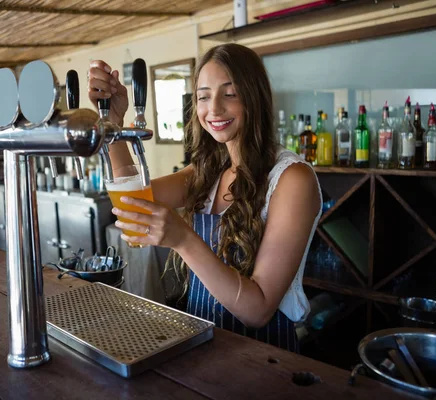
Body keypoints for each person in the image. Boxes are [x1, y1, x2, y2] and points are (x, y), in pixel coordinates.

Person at [87, 43, 322, 352]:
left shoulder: (292, 179)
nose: (214, 109)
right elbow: (131, 203)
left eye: (229, 94)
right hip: (201, 344)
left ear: (255, 97)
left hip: (263, 355)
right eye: (203, 96)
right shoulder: (208, 172)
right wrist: (113, 122)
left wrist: (183, 239)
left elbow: (259, 310)